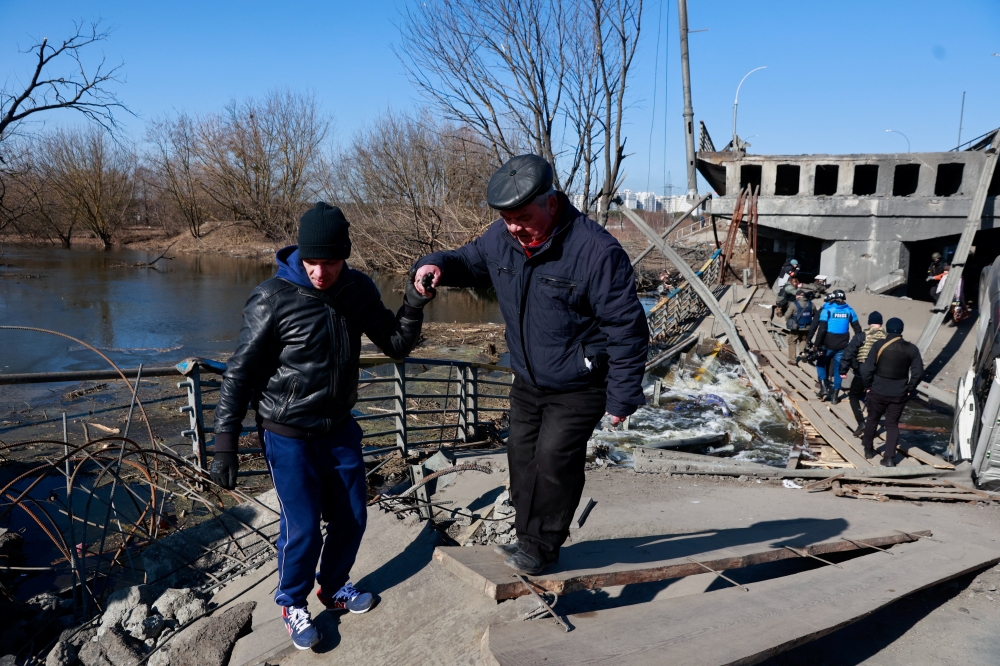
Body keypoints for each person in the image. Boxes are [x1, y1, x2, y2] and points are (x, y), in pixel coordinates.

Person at [412, 154, 648, 576]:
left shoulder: (595, 251)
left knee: (555, 461)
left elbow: (627, 329)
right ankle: (527, 536)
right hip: (528, 377)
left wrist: (623, 395)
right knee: (521, 459)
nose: (514, 227)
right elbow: (467, 261)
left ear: (551, 202)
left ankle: (540, 549)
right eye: (507, 219)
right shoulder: (502, 238)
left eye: (522, 217)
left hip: (580, 382)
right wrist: (435, 264)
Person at [211, 203, 433, 650]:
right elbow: (239, 374)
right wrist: (225, 444)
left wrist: (413, 302)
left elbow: (395, 344)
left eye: (328, 263)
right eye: (311, 262)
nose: (318, 272)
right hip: (287, 433)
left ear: (344, 257)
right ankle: (291, 601)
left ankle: (332, 589)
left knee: (352, 518)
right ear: (301, 256)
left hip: (339, 428)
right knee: (304, 527)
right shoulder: (272, 297)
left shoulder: (356, 288)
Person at [860, 317, 924, 466]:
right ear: (901, 330)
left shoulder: (878, 345)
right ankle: (889, 458)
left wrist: (868, 385)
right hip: (899, 392)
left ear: (887, 329)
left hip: (878, 389)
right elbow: (918, 373)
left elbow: (867, 369)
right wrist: (909, 388)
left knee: (872, 419)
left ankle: (868, 449)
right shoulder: (911, 349)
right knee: (892, 424)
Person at [839, 311, 886, 436]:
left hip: (862, 371)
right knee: (875, 399)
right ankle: (873, 424)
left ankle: (861, 422)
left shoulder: (861, 336)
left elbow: (849, 352)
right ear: (881, 324)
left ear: (869, 323)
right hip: (880, 373)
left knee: (854, 396)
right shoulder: (887, 337)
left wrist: (843, 369)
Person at [812, 289, 861, 404]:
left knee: (820, 364)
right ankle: (834, 397)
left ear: (833, 298)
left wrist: (816, 344)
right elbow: (858, 330)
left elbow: (822, 329)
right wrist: (855, 345)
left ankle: (823, 387)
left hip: (828, 344)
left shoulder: (827, 310)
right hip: (842, 345)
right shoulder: (850, 310)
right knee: (839, 370)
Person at [785, 291, 815, 366]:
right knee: (803, 340)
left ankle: (793, 360)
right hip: (807, 327)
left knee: (792, 341)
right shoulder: (811, 304)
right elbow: (815, 314)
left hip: (796, 327)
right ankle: (803, 353)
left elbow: (787, 316)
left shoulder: (793, 304)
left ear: (798, 296)